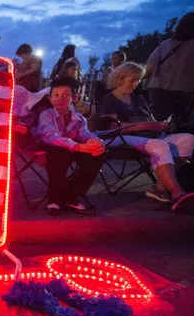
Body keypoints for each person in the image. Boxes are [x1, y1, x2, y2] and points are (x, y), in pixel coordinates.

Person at [97, 61, 194, 211]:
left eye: (138, 80)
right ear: (120, 78)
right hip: (121, 138)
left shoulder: (137, 99)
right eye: (132, 79)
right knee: (159, 145)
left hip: (148, 136)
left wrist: (161, 125)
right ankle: (177, 193)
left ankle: (160, 187)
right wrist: (143, 126)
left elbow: (150, 120)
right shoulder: (109, 99)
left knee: (187, 139)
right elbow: (112, 127)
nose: (136, 83)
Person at [34, 77, 106, 216]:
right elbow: (50, 137)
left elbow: (84, 134)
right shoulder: (46, 115)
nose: (60, 98)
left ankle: (71, 196)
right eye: (56, 95)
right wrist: (78, 147)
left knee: (97, 154)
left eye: (65, 95)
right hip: (48, 148)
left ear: (74, 97)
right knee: (60, 153)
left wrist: (96, 142)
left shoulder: (78, 118)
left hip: (72, 148)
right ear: (50, 99)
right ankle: (54, 199)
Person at [145, 11, 194, 123]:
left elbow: (148, 67)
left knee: (158, 124)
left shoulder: (165, 44)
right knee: (179, 124)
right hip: (183, 91)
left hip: (158, 90)